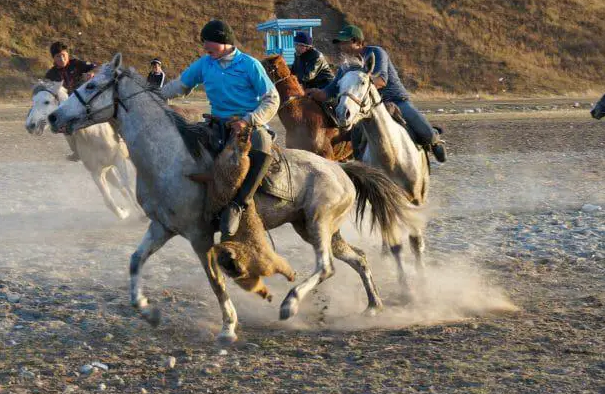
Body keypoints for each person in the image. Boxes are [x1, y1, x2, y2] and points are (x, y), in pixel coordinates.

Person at [160, 20, 280, 237]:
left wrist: (249, 120)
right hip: (216, 123)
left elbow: (272, 99)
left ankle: (239, 205)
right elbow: (179, 85)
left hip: (247, 126)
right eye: (203, 43)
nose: (205, 48)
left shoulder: (249, 64)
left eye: (208, 43)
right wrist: (153, 96)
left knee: (262, 146)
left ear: (224, 41)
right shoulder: (205, 63)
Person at [308, 24, 446, 163]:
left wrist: (361, 82)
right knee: (355, 140)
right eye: (340, 43)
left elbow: (381, 81)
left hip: (396, 100)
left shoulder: (376, 53)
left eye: (344, 42)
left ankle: (434, 141)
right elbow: (330, 91)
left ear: (357, 42)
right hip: (366, 109)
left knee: (426, 133)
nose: (341, 47)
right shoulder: (345, 67)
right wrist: (313, 94)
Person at [44, 41, 97, 161]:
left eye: (64, 55)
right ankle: (77, 152)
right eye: (58, 56)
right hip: (68, 107)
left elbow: (96, 67)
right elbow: (47, 93)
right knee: (63, 126)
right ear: (53, 58)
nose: (62, 58)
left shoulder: (77, 64)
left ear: (67, 54)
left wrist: (91, 73)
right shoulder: (51, 75)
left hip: (87, 100)